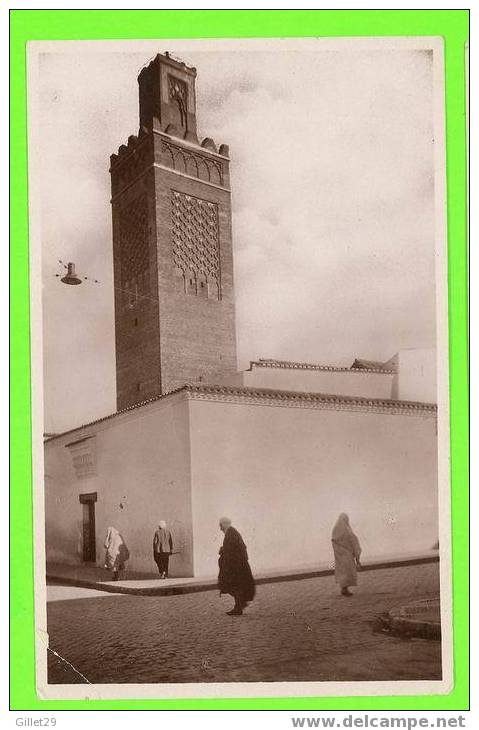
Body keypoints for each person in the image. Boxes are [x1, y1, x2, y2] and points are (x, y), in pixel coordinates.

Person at [218, 517, 255, 616]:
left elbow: (233, 550)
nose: (220, 528)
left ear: (225, 524)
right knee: (235, 586)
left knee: (234, 586)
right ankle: (239, 606)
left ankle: (239, 607)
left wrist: (223, 551)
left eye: (220, 525)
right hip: (237, 565)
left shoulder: (231, 533)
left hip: (236, 566)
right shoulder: (231, 532)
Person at [331, 513, 362, 596]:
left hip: (342, 555)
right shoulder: (345, 530)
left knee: (344, 571)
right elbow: (352, 541)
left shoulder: (337, 530)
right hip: (345, 554)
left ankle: (344, 588)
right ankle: (344, 589)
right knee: (346, 571)